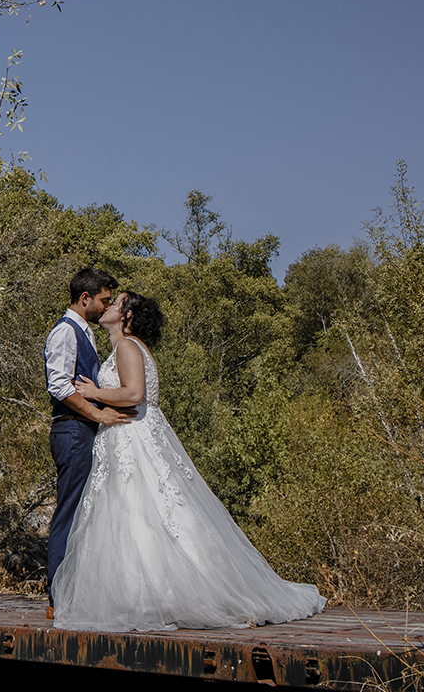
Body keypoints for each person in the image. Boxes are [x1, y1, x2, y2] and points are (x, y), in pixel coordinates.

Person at [52, 291, 326, 632]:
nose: (107, 307)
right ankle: (141, 594)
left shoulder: (127, 346)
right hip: (127, 435)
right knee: (134, 514)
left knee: (143, 509)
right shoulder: (125, 347)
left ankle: (168, 594)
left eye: (116, 302)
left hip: (133, 436)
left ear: (128, 315)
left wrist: (94, 393)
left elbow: (134, 394)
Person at [43, 268, 132, 620]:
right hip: (73, 431)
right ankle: (57, 598)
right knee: (69, 512)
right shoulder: (65, 333)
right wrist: (99, 416)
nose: (105, 306)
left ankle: (77, 592)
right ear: (86, 299)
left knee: (85, 512)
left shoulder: (83, 333)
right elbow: (60, 387)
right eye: (104, 300)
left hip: (83, 431)